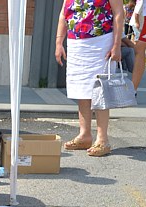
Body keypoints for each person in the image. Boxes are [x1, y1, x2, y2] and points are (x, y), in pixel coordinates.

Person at [55, 0, 125, 157]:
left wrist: (117, 45)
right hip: (76, 43)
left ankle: (102, 139)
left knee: (100, 90)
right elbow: (63, 15)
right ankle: (85, 135)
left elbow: (119, 13)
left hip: (101, 42)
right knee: (81, 88)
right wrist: (59, 42)